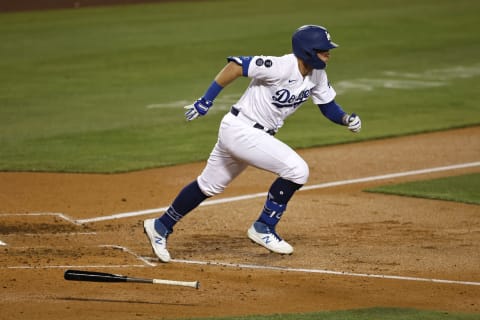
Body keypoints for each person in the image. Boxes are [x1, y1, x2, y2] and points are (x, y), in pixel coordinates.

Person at [144, 25, 361, 262]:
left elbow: (328, 105)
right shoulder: (279, 66)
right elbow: (236, 66)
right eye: (323, 50)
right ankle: (264, 227)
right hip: (241, 130)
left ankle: (161, 225)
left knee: (208, 186)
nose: (328, 53)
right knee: (297, 170)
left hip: (247, 134)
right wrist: (206, 100)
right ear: (308, 50)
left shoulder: (317, 74)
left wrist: (345, 119)